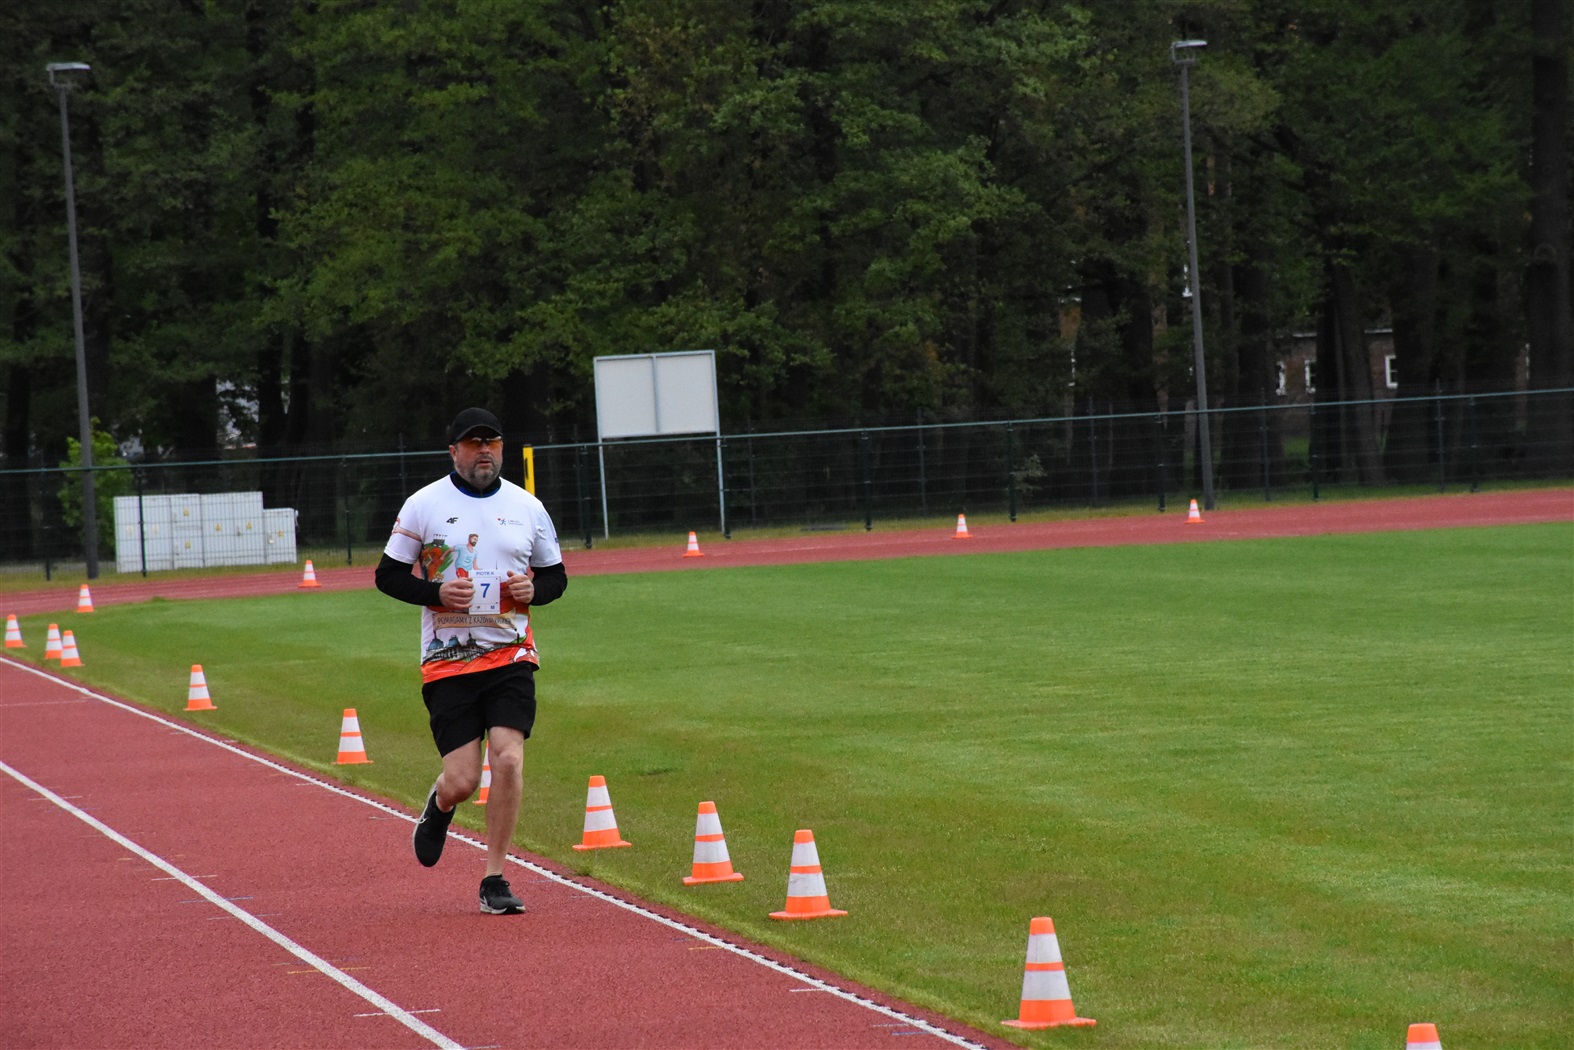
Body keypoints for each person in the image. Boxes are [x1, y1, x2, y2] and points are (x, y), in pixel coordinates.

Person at [375, 407, 568, 914]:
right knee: (464, 781)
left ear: (502, 448)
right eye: (473, 442)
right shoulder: (424, 504)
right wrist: (435, 593)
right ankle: (440, 804)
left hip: (511, 654)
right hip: (449, 659)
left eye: (492, 441)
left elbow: (555, 577)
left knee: (508, 758)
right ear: (453, 451)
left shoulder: (527, 506)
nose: (484, 450)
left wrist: (535, 590)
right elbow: (387, 576)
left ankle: (494, 878)